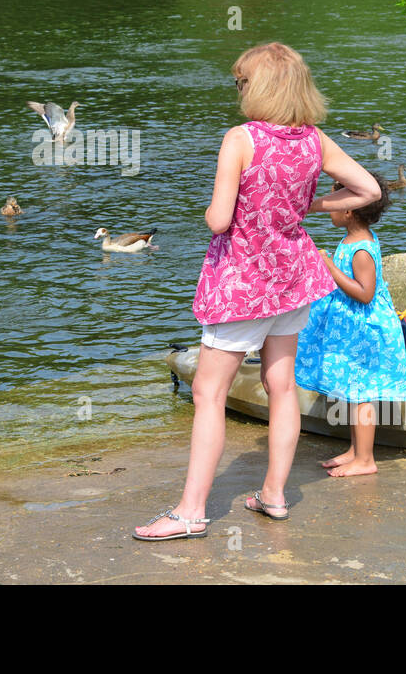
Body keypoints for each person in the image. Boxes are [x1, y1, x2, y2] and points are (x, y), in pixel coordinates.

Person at [133, 42, 381, 541]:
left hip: (243, 283)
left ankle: (190, 513)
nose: (239, 88)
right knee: (282, 386)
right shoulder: (315, 140)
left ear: (258, 87)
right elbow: (370, 190)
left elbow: (220, 219)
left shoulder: (241, 138)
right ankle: (273, 494)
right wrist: (303, 208)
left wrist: (216, 213)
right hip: (292, 279)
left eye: (241, 81)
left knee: (208, 392)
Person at [296, 174, 406, 477]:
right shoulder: (351, 239)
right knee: (351, 390)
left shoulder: (361, 249)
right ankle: (354, 451)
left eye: (333, 202)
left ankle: (366, 460)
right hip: (352, 329)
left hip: (365, 331)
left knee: (362, 395)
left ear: (349, 209)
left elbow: (365, 293)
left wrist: (331, 268)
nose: (329, 208)